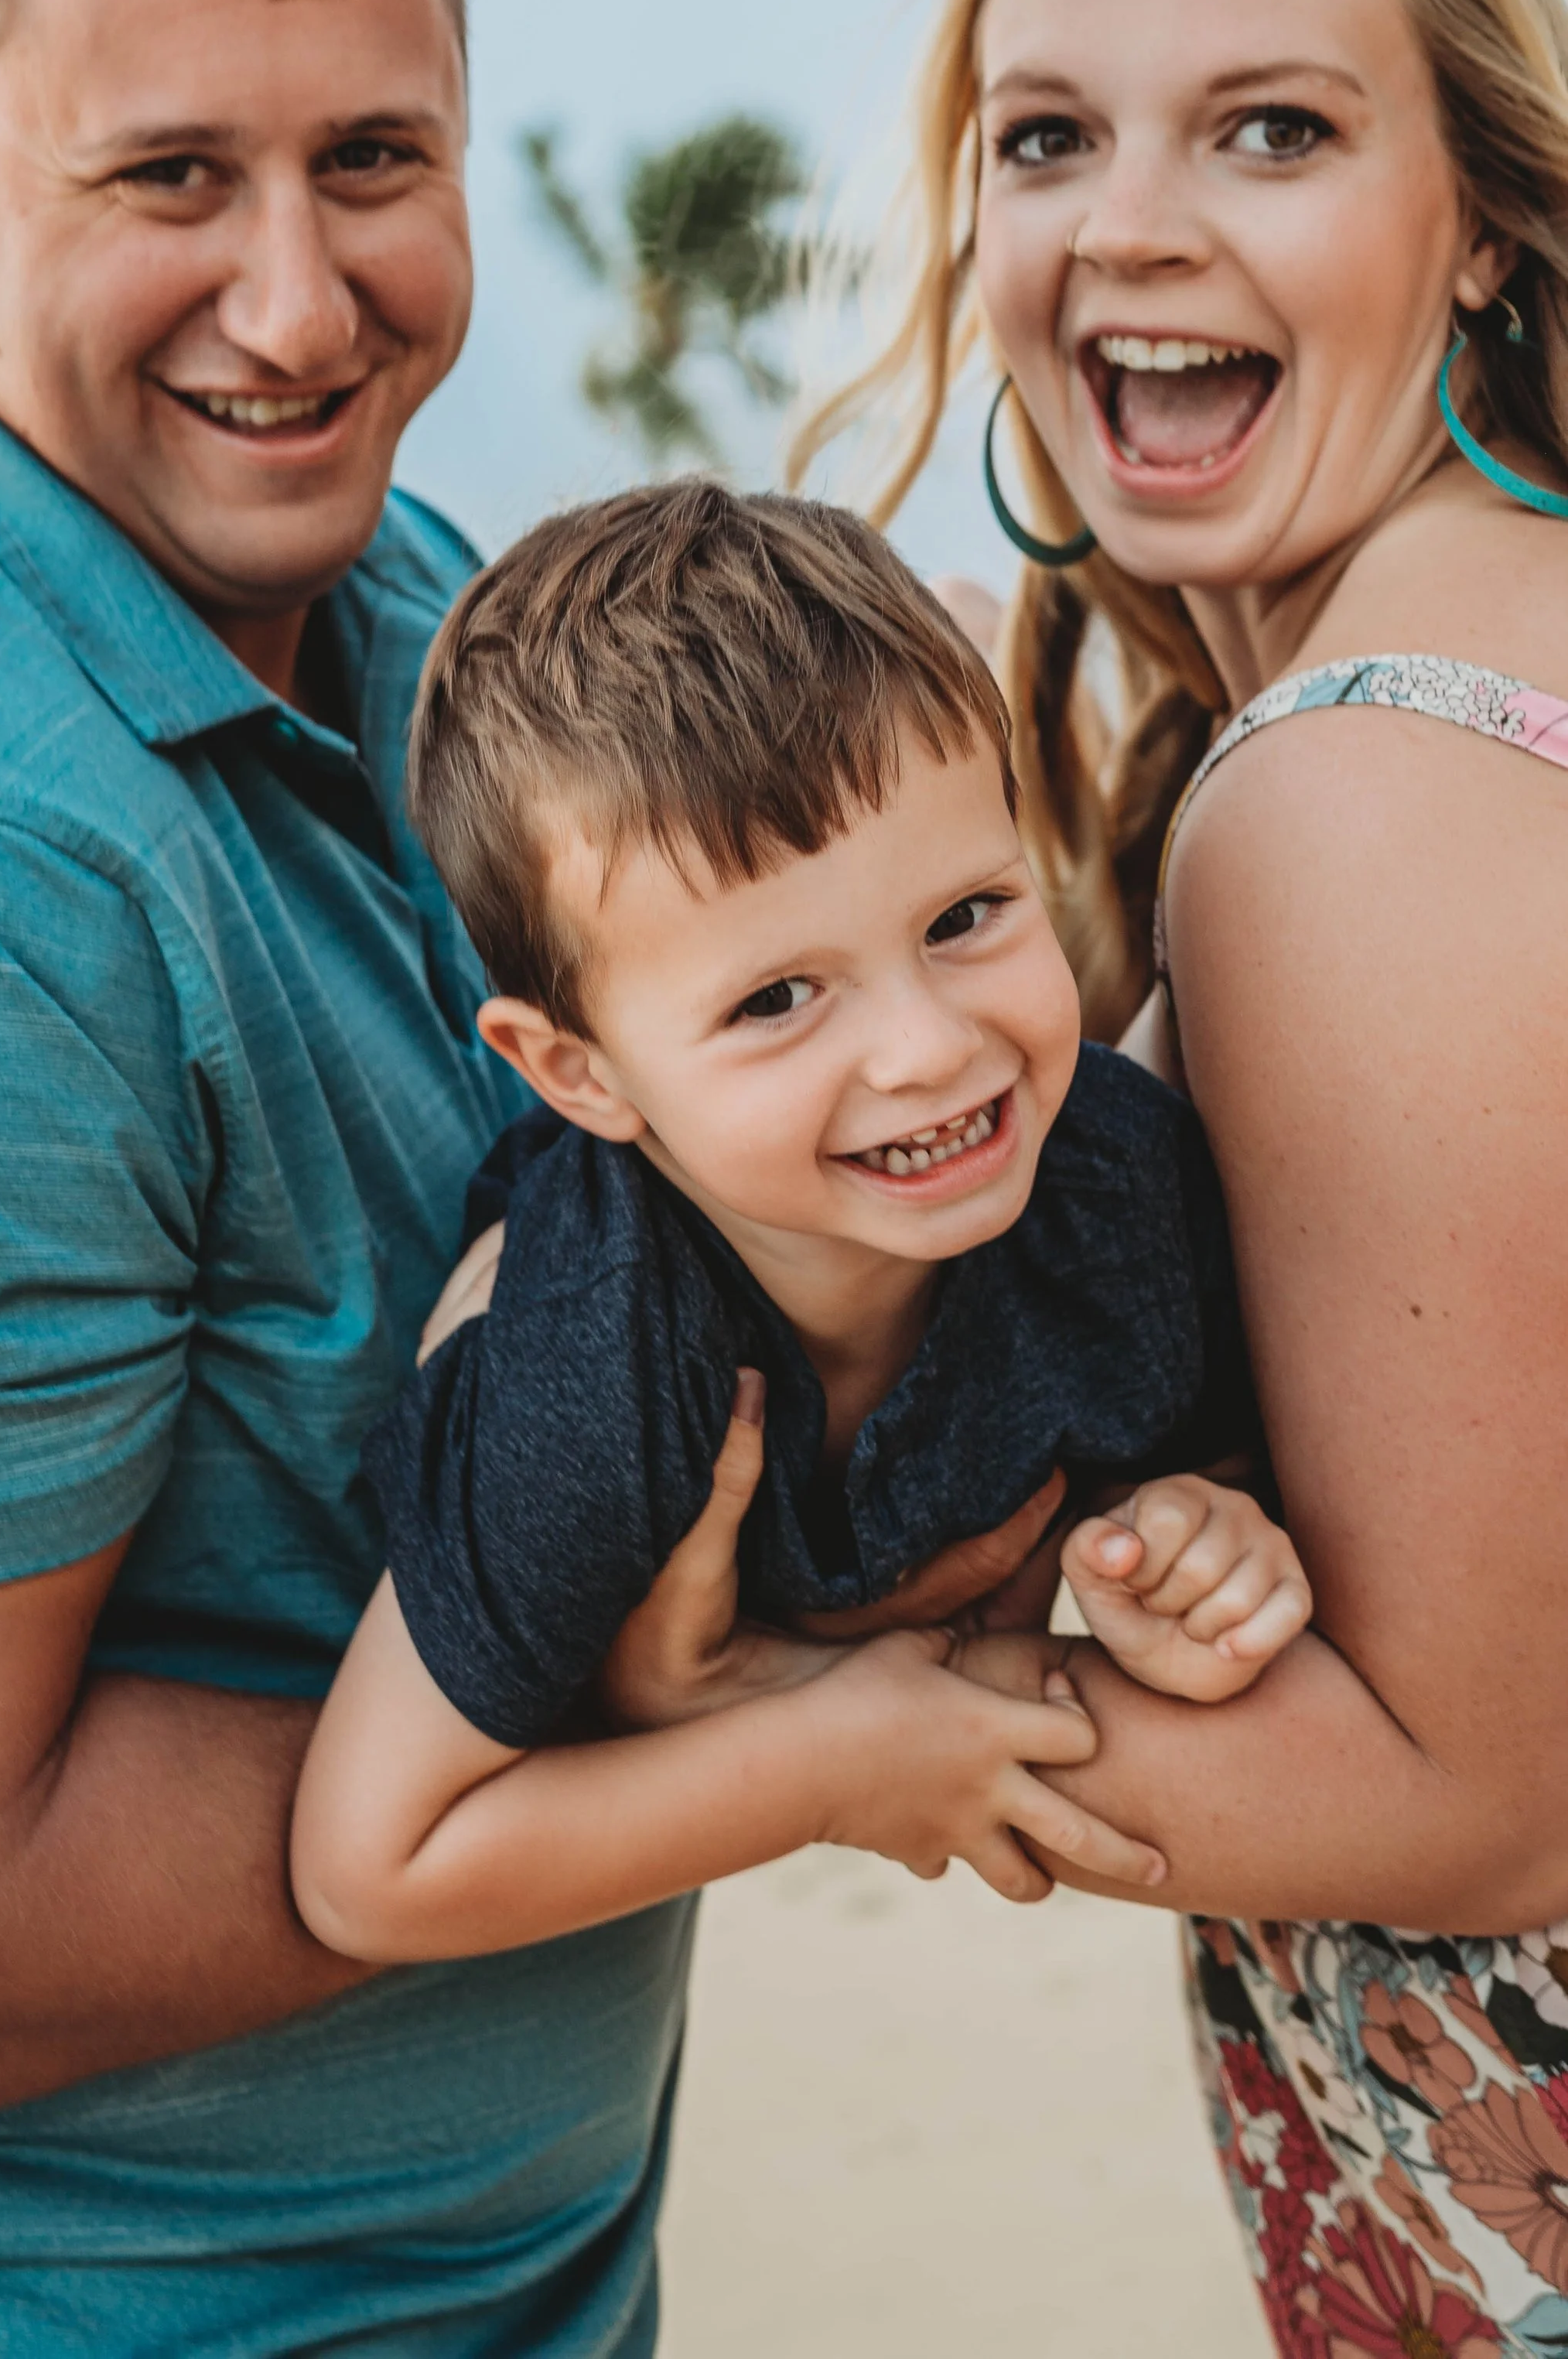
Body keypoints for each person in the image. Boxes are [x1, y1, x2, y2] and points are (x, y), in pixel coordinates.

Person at [0, 0, 917, 2359]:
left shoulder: (411, 598)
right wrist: (714, 1722)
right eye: (169, 179)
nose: (302, 305)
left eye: (371, 161)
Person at [690, 0, 1568, 2344]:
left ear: (1482, 220)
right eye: (1045, 136)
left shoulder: (1362, 781)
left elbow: (1482, 1794)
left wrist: (728, 1717)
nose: (1131, 226)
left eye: (1271, 130)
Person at [288, 478, 1312, 1964]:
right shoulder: (593, 1379)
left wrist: (1192, 1541)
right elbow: (370, 1864)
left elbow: (1204, 1455)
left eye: (965, 916)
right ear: (579, 1073)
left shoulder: (1118, 1188)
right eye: (777, 998)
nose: (931, 1050)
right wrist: (832, 1765)